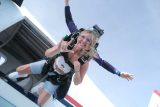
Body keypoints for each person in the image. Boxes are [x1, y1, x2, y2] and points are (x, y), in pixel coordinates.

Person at [8, 28, 101, 106]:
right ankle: (25, 76)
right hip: (49, 65)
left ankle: (42, 87)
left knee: (40, 102)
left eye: (88, 40)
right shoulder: (68, 43)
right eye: (83, 37)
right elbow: (47, 54)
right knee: (19, 70)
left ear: (90, 45)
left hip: (58, 78)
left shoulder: (84, 62)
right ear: (78, 36)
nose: (84, 40)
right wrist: (58, 48)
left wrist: (77, 70)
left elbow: (77, 82)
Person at [64, 0, 134, 81]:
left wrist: (119, 73)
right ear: (83, 33)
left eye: (89, 40)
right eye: (85, 37)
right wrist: (66, 3)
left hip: (67, 71)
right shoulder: (77, 34)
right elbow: (69, 20)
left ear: (93, 43)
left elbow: (102, 63)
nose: (84, 41)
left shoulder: (92, 52)